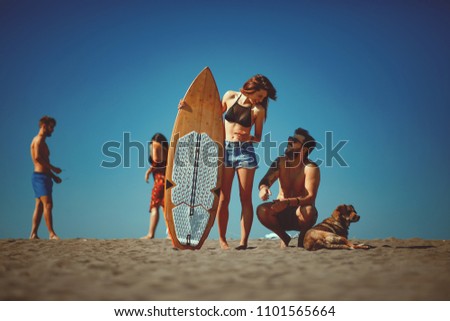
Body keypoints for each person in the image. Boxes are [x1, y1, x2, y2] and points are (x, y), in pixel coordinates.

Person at [216, 74, 277, 250]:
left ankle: (243, 241)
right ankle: (222, 240)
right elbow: (212, 115)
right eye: (259, 95)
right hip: (226, 150)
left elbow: (258, 137)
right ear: (251, 88)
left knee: (245, 197)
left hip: (245, 151)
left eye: (263, 98)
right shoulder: (229, 96)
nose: (260, 100)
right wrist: (186, 107)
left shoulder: (258, 110)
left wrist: (249, 136)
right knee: (224, 198)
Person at [256, 128, 320, 248]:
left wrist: (288, 202)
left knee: (309, 211)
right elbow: (266, 179)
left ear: (304, 149)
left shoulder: (310, 168)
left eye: (294, 141)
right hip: (280, 212)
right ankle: (284, 237)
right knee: (262, 210)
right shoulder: (280, 161)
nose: (289, 141)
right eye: (290, 139)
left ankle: (302, 238)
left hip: (300, 213)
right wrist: (263, 188)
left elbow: (310, 197)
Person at [30, 116, 62, 240]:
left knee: (39, 205)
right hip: (40, 177)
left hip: (45, 177)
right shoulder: (38, 140)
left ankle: (33, 234)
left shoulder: (43, 141)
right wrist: (53, 168)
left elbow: (43, 160)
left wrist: (54, 176)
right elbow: (37, 158)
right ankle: (51, 233)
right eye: (51, 127)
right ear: (44, 126)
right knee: (48, 204)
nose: (52, 130)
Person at [142, 133, 168, 239]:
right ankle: (170, 233)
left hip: (159, 183)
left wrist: (148, 171)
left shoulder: (156, 147)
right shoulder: (168, 153)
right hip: (167, 182)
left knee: (154, 207)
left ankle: (151, 233)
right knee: (165, 208)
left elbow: (156, 161)